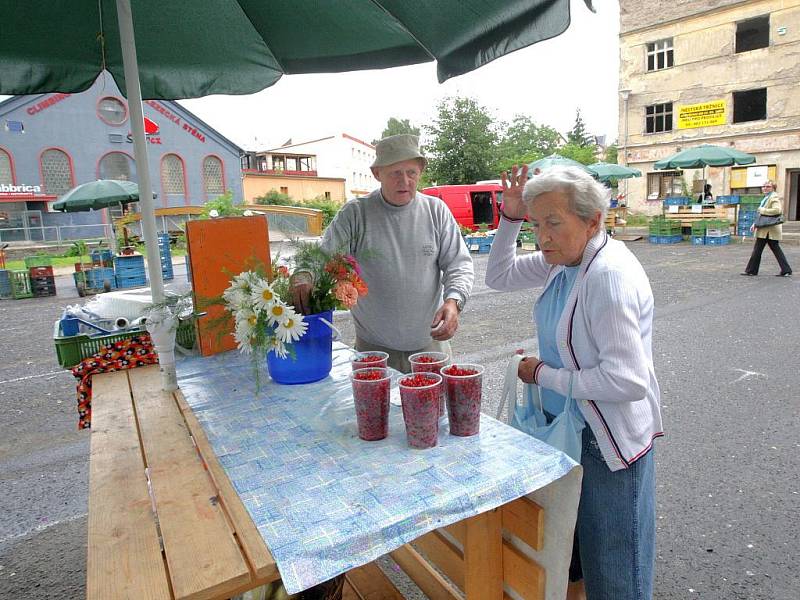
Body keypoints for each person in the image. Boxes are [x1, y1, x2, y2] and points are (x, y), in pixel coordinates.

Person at [486, 165, 663, 600]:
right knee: (577, 551)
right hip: (570, 429)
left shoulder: (607, 276)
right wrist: (510, 218)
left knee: (617, 571)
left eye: (553, 223)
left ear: (593, 221)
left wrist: (542, 374)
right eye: (535, 223)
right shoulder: (562, 261)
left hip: (605, 443)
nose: (542, 236)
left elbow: (626, 382)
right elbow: (499, 277)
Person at [321, 134, 474, 372]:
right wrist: (307, 280)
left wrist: (454, 302)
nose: (404, 181)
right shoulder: (355, 214)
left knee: (434, 409)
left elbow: (459, 264)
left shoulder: (436, 211)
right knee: (375, 410)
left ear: (420, 172)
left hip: (430, 347)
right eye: (395, 173)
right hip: (373, 352)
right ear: (377, 174)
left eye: (411, 172)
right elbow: (324, 261)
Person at [741, 180, 792, 277]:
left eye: (768, 186)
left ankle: (752, 270)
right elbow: (761, 215)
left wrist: (762, 210)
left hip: (769, 229)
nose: (765, 188)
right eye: (763, 186)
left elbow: (777, 210)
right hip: (767, 229)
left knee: (758, 250)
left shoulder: (773, 197)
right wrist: (755, 224)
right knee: (771, 249)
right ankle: (786, 270)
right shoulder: (767, 198)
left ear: (773, 188)